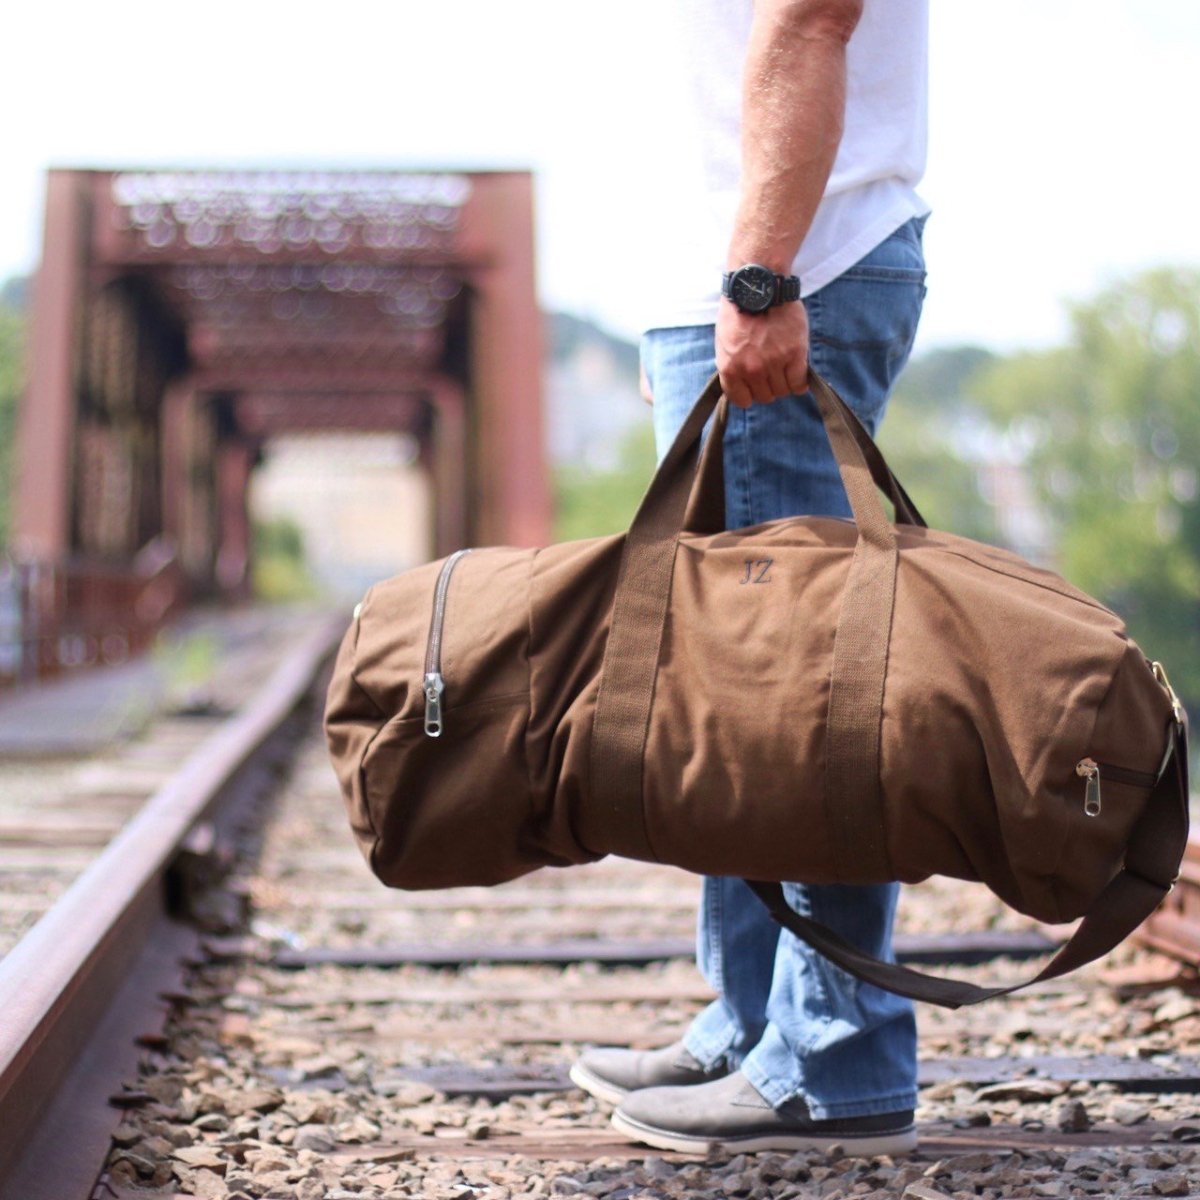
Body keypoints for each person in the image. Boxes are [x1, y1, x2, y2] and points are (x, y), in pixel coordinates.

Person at [569, 0, 930, 1156]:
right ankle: (750, 1025)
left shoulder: (782, 274)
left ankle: (834, 1060)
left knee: (796, 692)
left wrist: (760, 280)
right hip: (741, 280)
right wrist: (685, 307)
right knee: (733, 694)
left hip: (798, 266)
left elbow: (809, 24)